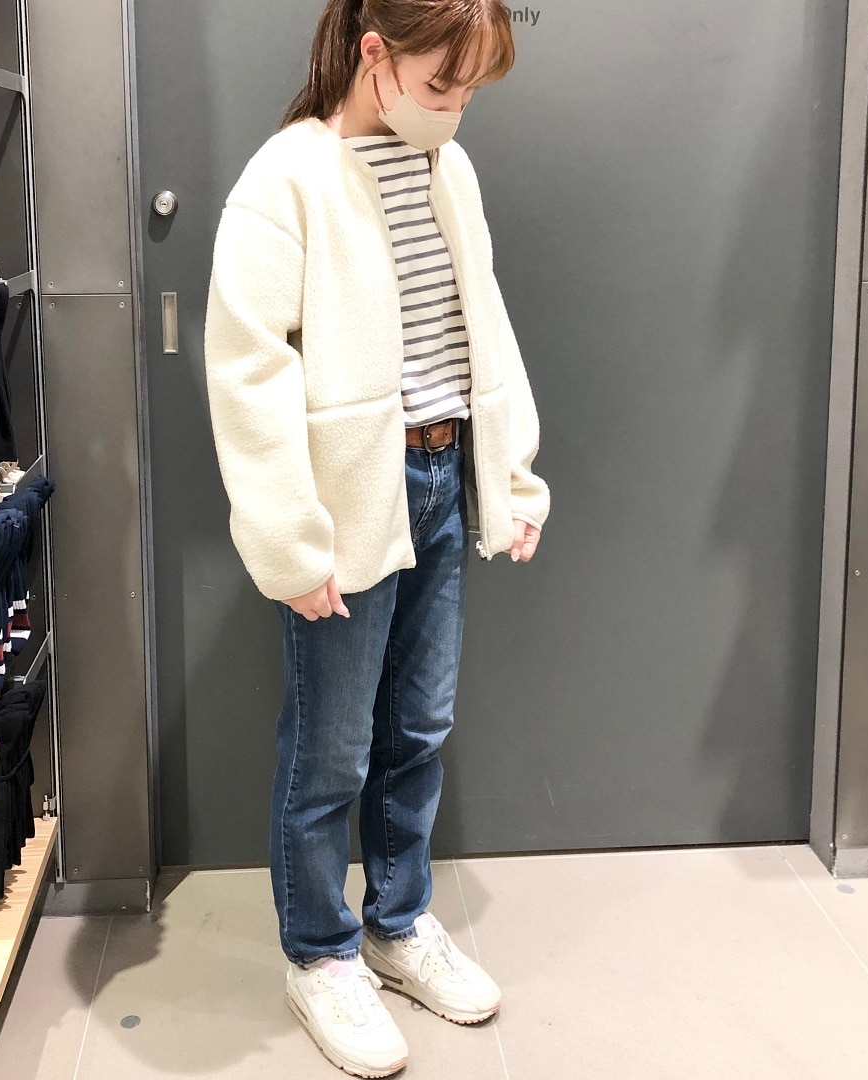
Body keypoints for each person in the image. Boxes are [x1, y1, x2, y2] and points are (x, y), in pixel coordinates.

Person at [204, 0, 550, 1075]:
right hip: (350, 493)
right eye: (443, 84)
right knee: (332, 747)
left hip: (444, 475)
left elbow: (483, 325)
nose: (458, 108)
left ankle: (399, 925)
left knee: (421, 725)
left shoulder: (451, 170)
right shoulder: (286, 179)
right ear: (375, 56)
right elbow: (247, 371)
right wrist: (288, 541)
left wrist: (511, 475)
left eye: (471, 90)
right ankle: (320, 955)